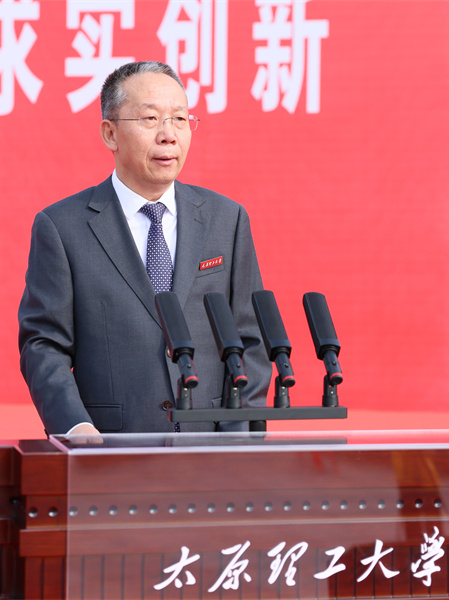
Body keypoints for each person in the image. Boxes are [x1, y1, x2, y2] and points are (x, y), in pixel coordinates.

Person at [17, 61, 270, 435]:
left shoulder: (226, 219)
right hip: (109, 447)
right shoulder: (63, 227)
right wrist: (75, 427)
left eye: (180, 119)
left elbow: (251, 342)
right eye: (150, 119)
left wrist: (239, 439)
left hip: (212, 447)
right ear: (110, 134)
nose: (169, 135)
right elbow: (43, 345)